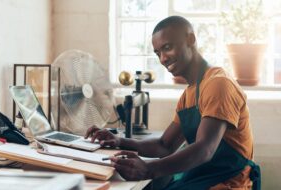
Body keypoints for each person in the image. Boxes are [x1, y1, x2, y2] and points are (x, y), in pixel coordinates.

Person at [85, 16, 260, 190]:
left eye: (167, 48)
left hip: (226, 183)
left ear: (191, 40)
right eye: (158, 53)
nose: (163, 59)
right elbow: (165, 145)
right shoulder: (189, 93)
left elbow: (204, 150)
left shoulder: (218, 84)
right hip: (202, 178)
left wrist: (148, 170)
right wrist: (118, 141)